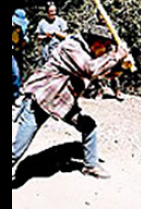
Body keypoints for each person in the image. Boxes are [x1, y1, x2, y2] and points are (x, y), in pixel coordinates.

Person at [12, 25, 129, 180]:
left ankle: (90, 165)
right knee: (17, 150)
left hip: (62, 102)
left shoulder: (90, 52)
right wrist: (115, 56)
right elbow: (89, 69)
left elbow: (104, 73)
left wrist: (121, 65)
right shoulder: (71, 47)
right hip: (41, 99)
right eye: (105, 46)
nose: (106, 50)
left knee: (88, 126)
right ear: (95, 41)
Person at [12, 9, 29, 105]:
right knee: (15, 74)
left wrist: (24, 40)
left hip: (18, 52)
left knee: (18, 74)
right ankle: (15, 95)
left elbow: (25, 38)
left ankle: (16, 95)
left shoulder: (22, 27)